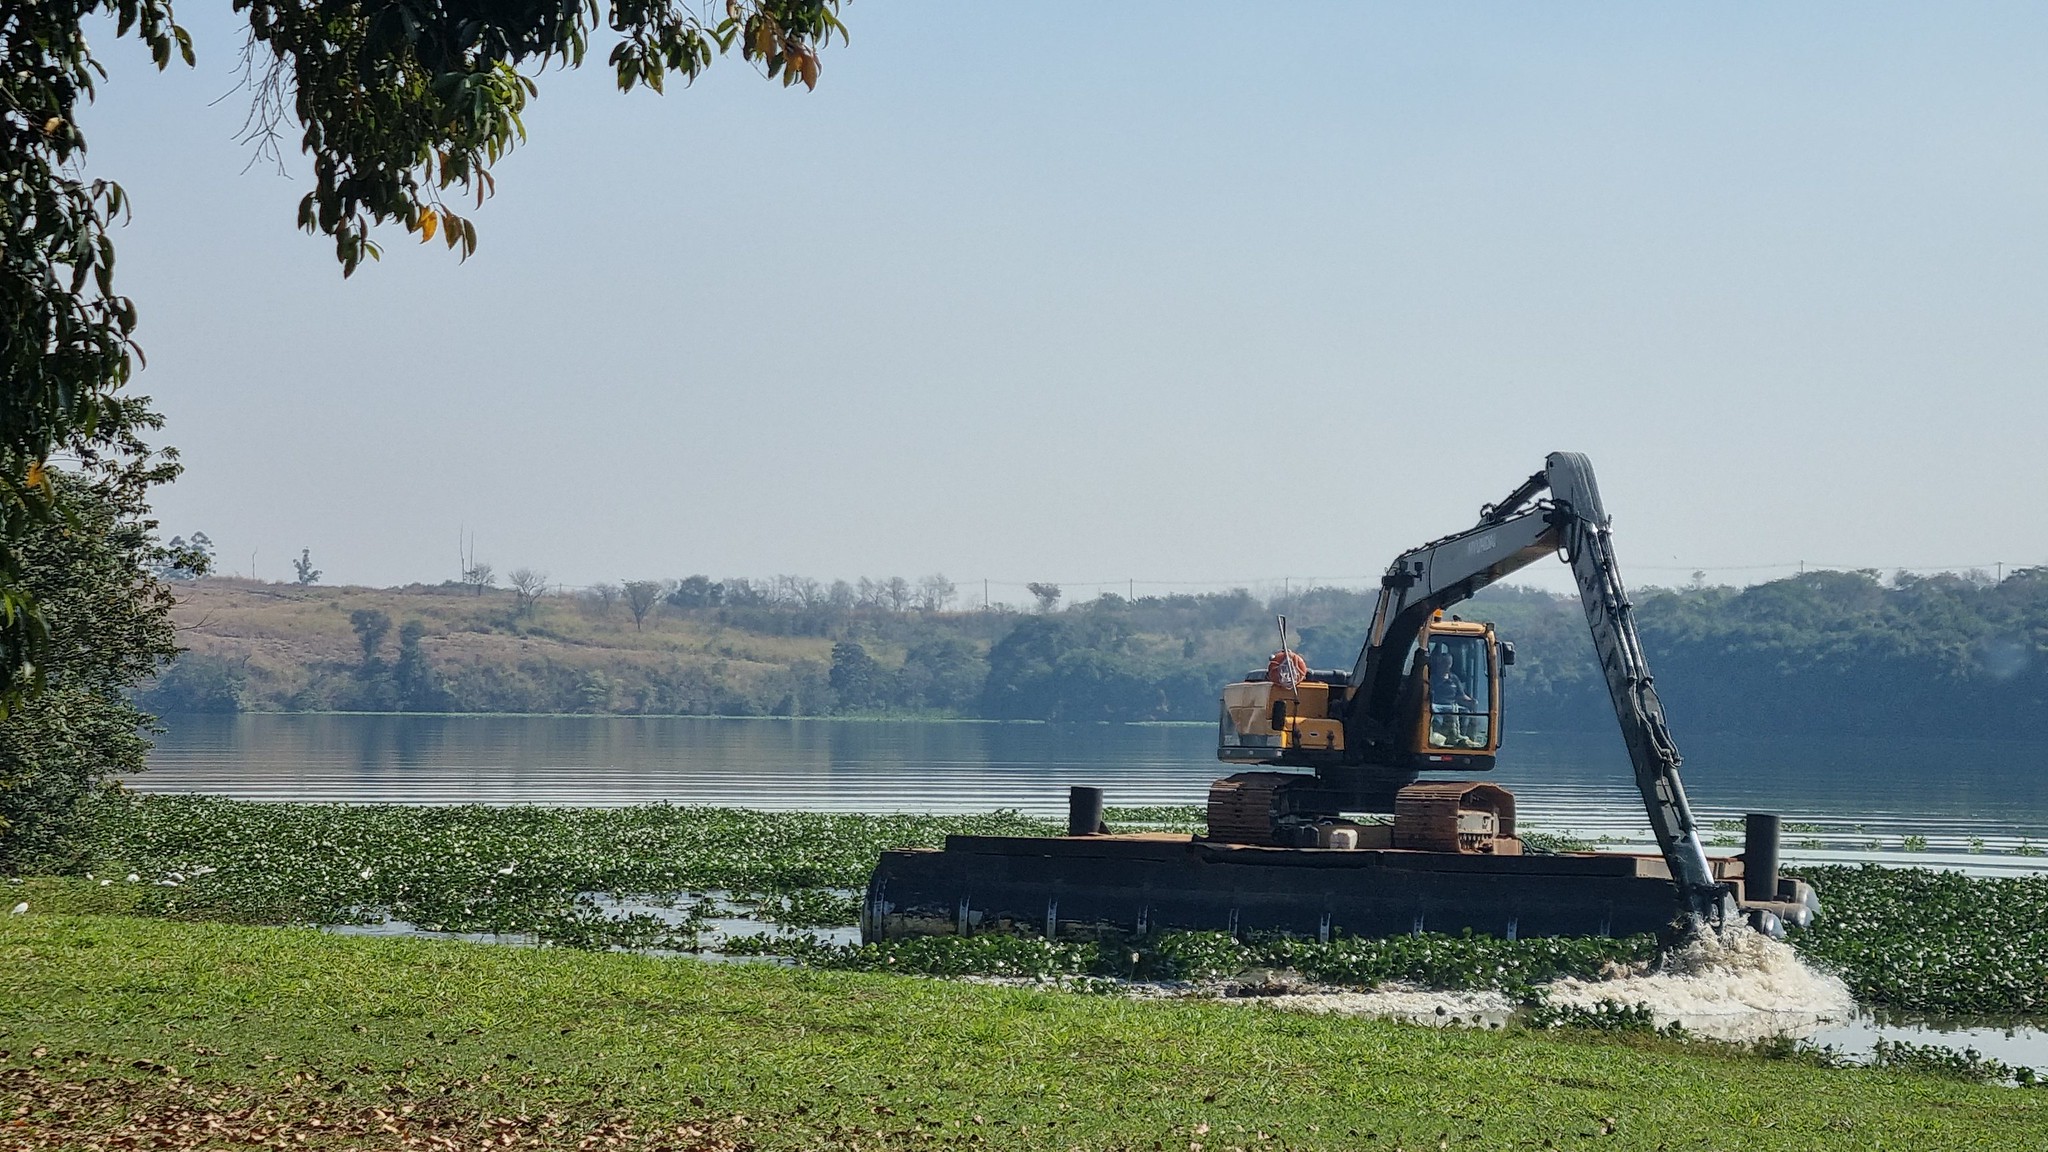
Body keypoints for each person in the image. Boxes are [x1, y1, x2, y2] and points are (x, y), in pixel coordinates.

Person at [1428, 645, 1481, 748]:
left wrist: (1472, 701)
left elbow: (1461, 695)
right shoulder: (1433, 678)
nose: (1446, 666)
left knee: (1465, 711)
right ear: (1439, 664)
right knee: (1435, 714)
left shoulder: (1454, 678)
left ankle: (1462, 736)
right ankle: (1435, 737)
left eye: (1448, 663)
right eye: (1444, 663)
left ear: (1450, 664)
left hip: (1451, 706)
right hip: (1436, 704)